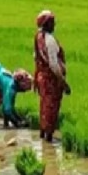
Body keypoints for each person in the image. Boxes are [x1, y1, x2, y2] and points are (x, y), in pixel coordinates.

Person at [34, 10, 70, 143]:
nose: (54, 24)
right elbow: (54, 65)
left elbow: (35, 57)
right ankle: (49, 139)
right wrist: (63, 82)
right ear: (46, 24)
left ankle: (43, 134)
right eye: (52, 22)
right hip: (51, 80)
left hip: (42, 78)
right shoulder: (49, 40)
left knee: (44, 105)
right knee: (51, 108)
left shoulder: (38, 37)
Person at [0, 62, 33, 129]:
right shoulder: (10, 88)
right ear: (21, 84)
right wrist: (17, 124)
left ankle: (6, 124)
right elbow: (7, 110)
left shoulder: (11, 84)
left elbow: (8, 106)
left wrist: (20, 120)